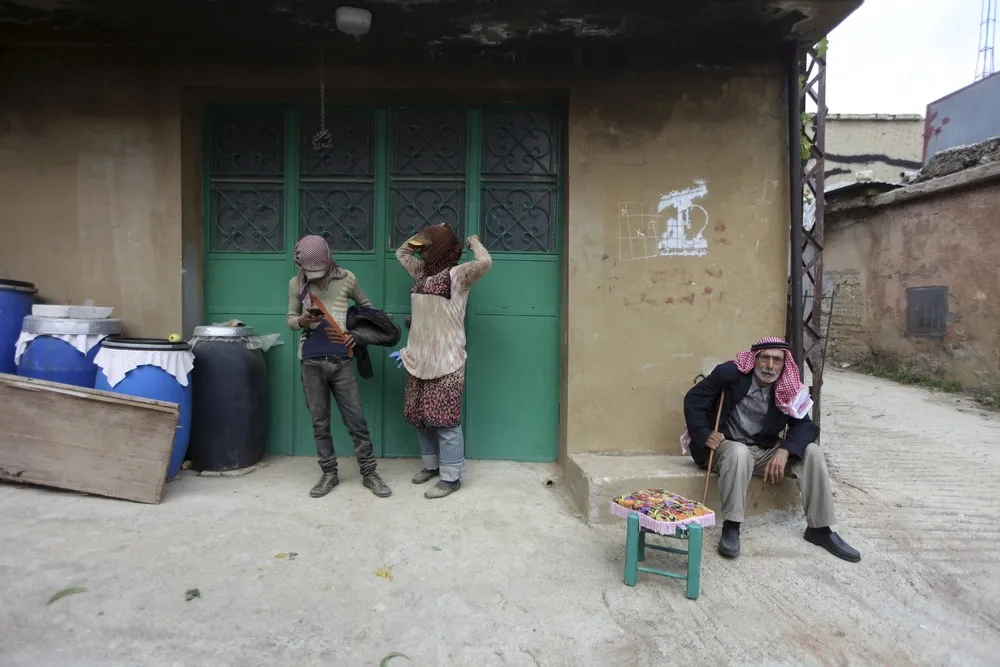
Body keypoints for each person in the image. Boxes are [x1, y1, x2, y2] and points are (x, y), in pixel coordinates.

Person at [682, 336, 860, 562]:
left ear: (784, 365)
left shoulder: (788, 386)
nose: (770, 366)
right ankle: (732, 526)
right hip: (725, 449)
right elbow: (694, 400)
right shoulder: (730, 374)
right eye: (765, 358)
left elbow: (805, 426)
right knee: (739, 452)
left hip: (762, 450)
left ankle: (820, 529)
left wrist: (785, 449)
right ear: (755, 359)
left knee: (812, 452)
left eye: (777, 360)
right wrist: (705, 433)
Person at [391, 223, 491, 499]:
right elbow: (401, 252)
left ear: (442, 247)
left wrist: (473, 242)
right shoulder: (420, 272)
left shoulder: (459, 275)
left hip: (447, 360)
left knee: (445, 422)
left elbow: (485, 261)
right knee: (421, 418)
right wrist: (421, 235)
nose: (423, 248)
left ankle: (451, 477)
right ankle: (431, 467)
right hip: (418, 357)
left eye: (428, 243)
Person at [287, 234, 391, 499]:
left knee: (356, 420)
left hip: (342, 360)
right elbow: (289, 320)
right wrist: (302, 318)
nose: (316, 276)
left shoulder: (347, 278)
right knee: (319, 422)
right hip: (310, 360)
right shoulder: (296, 285)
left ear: (328, 259)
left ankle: (369, 473)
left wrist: (357, 334)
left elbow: (369, 310)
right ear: (300, 265)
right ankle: (328, 473)